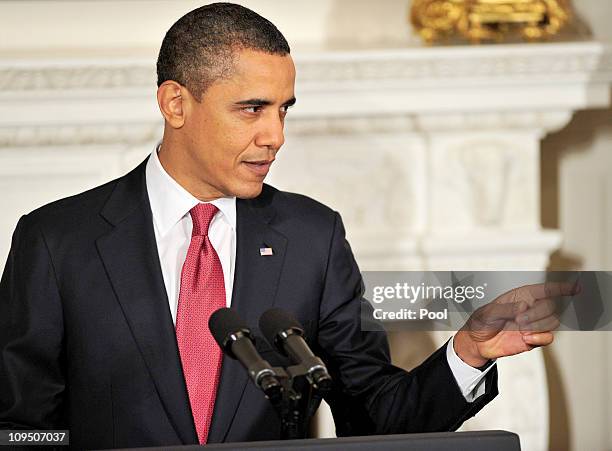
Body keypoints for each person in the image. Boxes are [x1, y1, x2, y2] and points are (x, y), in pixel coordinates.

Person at [0, 3, 575, 450]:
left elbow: (371, 414)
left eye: (284, 109)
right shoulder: (56, 241)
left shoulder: (312, 238)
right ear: (176, 104)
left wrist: (468, 354)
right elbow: (21, 427)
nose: (275, 135)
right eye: (252, 108)